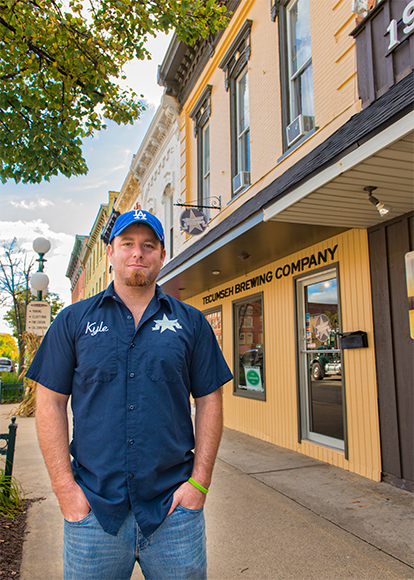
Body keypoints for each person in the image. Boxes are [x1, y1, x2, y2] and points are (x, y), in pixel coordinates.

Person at [27, 209, 233, 580]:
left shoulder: (191, 323)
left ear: (161, 255)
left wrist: (199, 484)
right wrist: (65, 491)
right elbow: (50, 403)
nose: (137, 253)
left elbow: (209, 401)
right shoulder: (73, 321)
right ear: (111, 252)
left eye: (148, 245)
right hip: (93, 512)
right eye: (127, 244)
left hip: (173, 512)